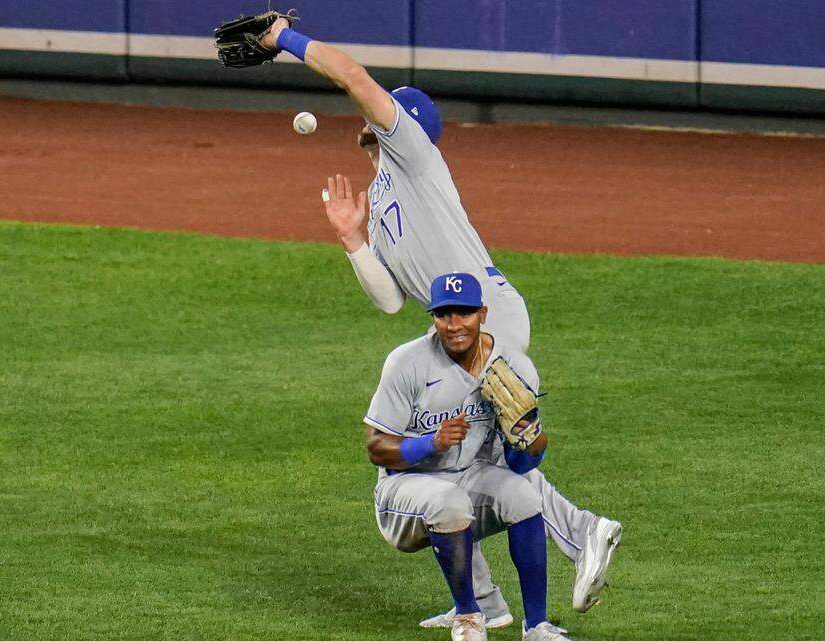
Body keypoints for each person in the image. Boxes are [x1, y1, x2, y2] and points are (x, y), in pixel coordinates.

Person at [257, 19, 621, 628]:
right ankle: (486, 604)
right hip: (451, 318)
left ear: (402, 126)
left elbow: (351, 75)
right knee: (449, 466)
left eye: (383, 116)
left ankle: (585, 531)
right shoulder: (380, 197)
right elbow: (391, 303)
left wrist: (284, 41)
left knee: (476, 463)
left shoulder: (417, 160)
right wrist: (352, 240)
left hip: (489, 313)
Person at [365, 272, 569, 641]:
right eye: (443, 315)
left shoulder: (514, 368)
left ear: (483, 313)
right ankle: (469, 616)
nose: (454, 325)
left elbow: (522, 464)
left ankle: (537, 625)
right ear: (433, 318)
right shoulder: (407, 364)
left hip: (468, 476)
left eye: (464, 314)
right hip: (404, 490)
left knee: (524, 495)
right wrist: (430, 444)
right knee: (449, 502)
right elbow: (376, 447)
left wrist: (529, 438)